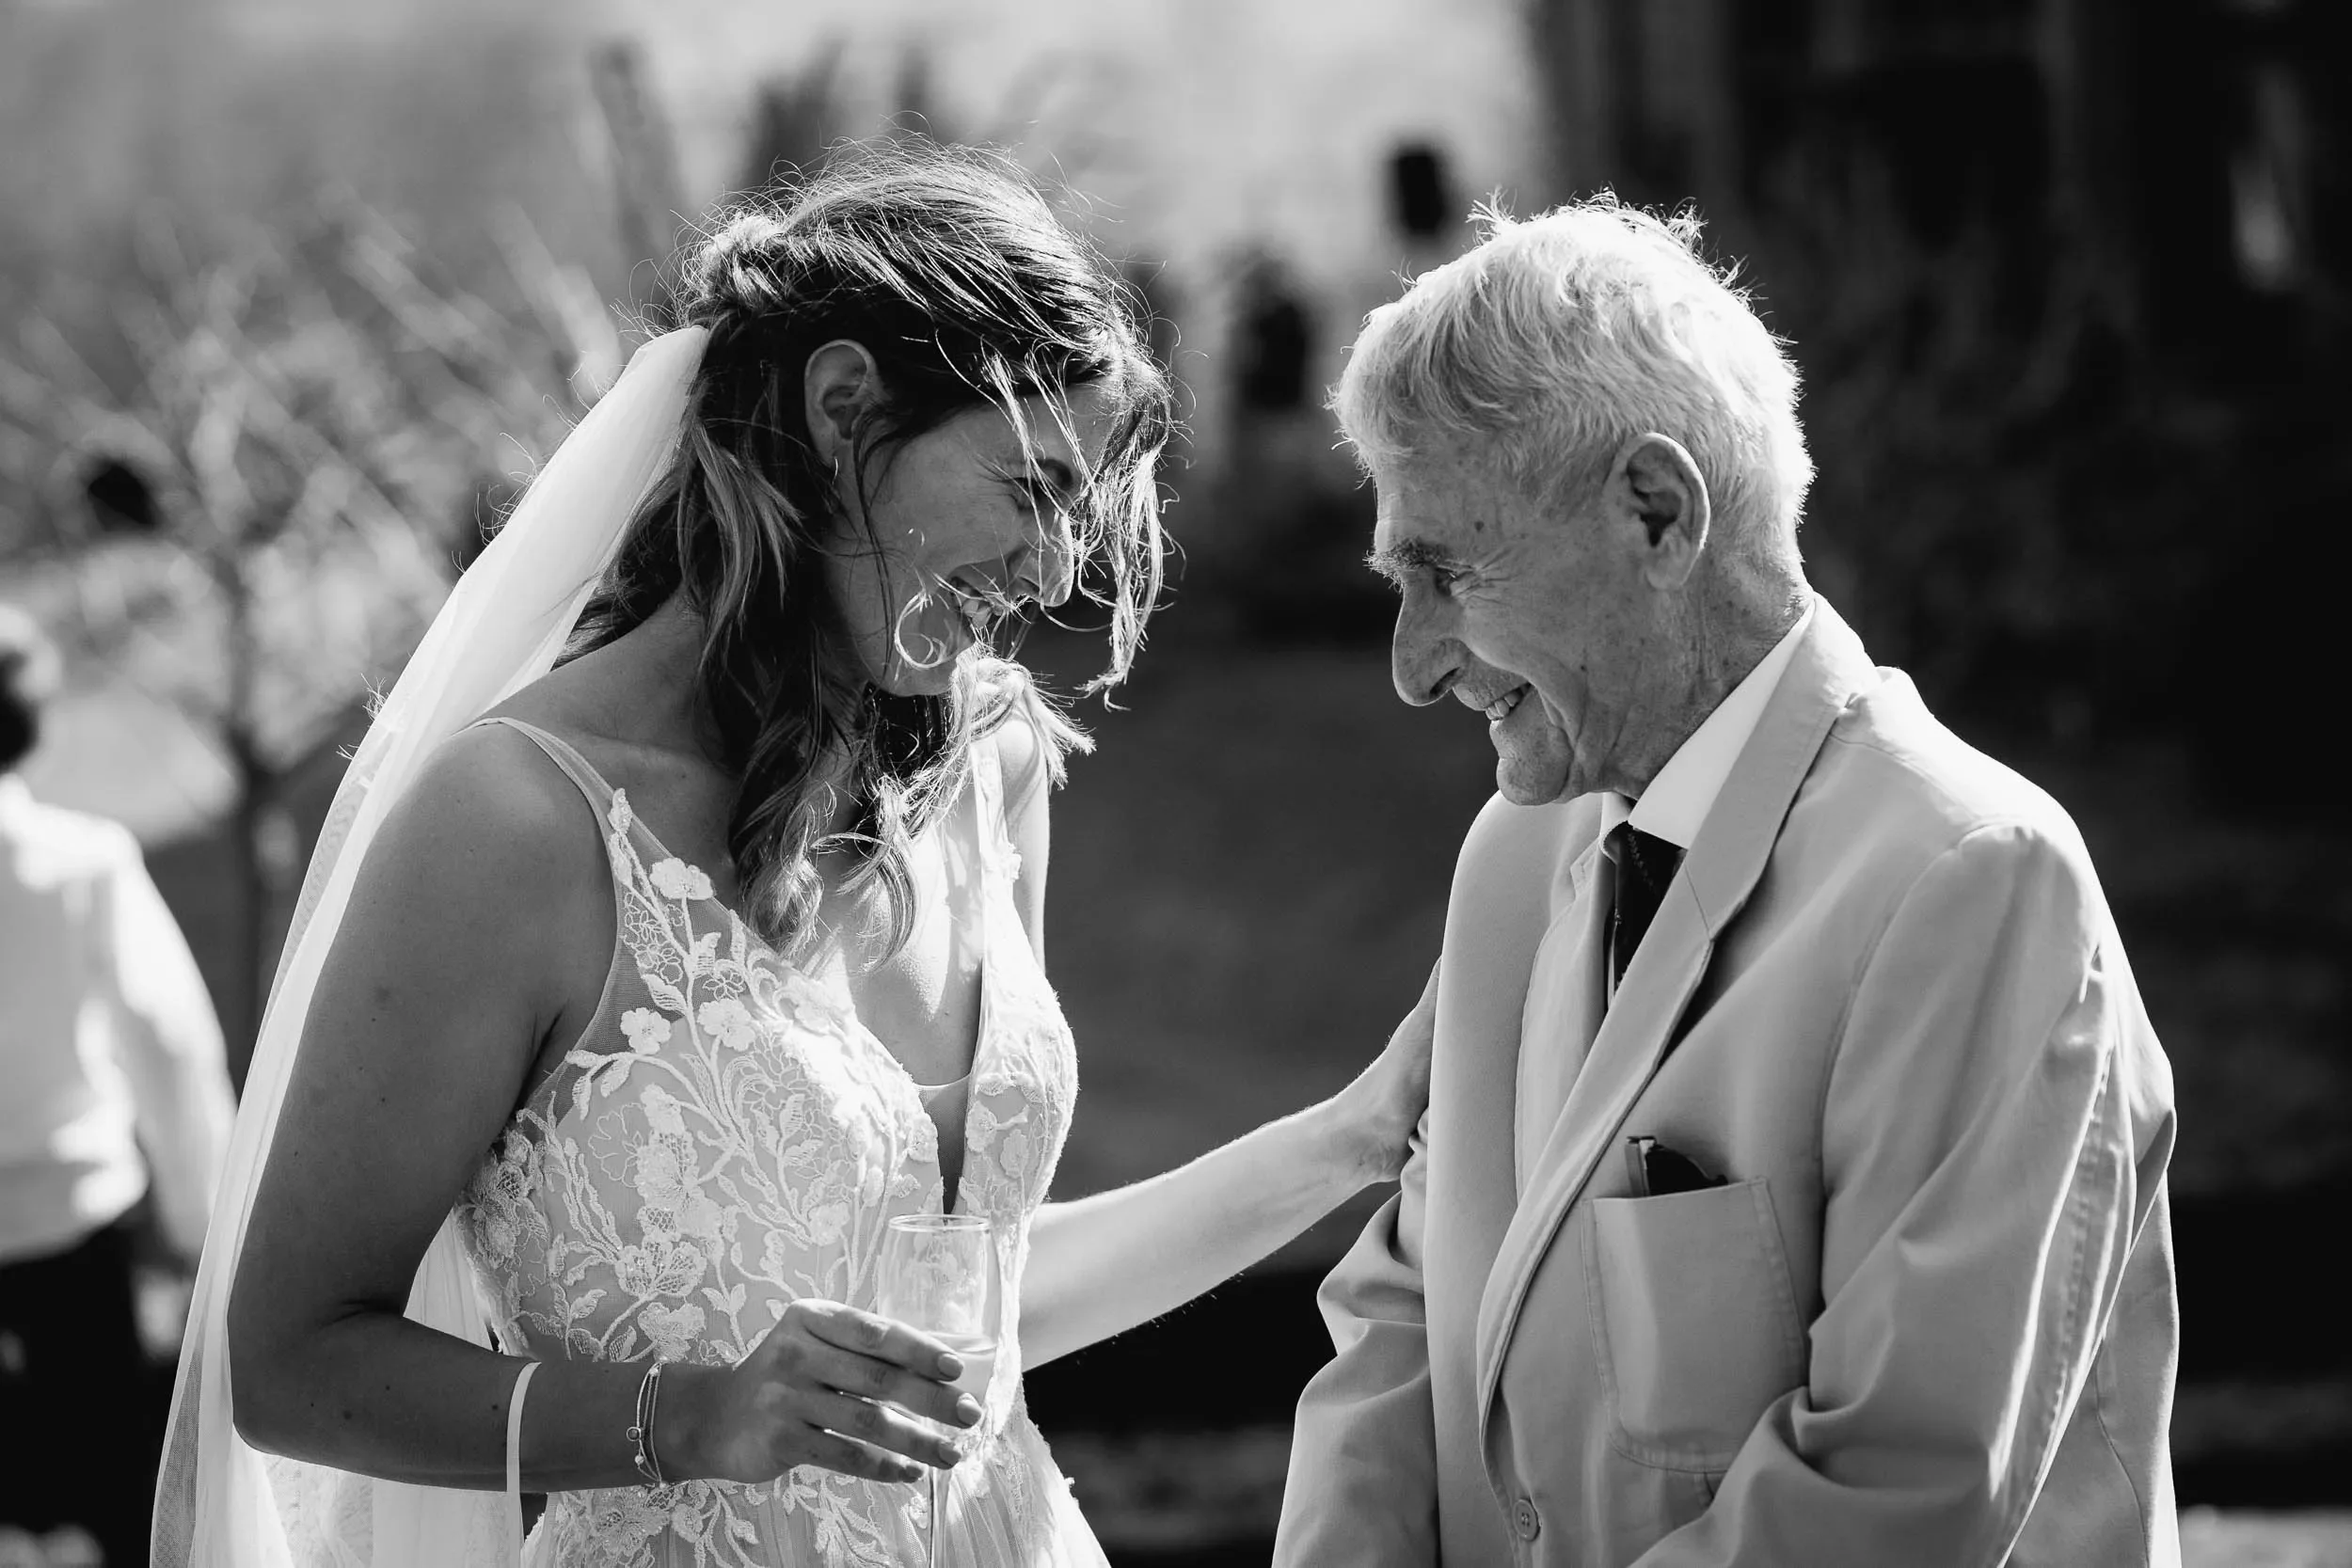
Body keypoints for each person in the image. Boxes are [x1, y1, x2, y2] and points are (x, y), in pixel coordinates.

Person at [155, 142, 1434, 1568]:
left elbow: (983, 1311)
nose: (1061, 568)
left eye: (1085, 506)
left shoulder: (989, 767)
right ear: (843, 411)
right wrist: (683, 1418)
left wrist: (1350, 1136)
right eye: (1030, 486)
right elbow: (287, 1359)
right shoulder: (514, 825)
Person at [1274, 198, 2179, 1567]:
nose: (1412, 664)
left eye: (1444, 572)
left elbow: (1890, 1499)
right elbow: (1405, 1320)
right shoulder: (1515, 856)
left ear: (1656, 509)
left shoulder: (1973, 879)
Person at [0, 605, 236, 1567]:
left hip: (72, 1235)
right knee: (116, 1501)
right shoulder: (79, 861)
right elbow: (168, 1043)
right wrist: (199, 1224)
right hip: (75, 1241)